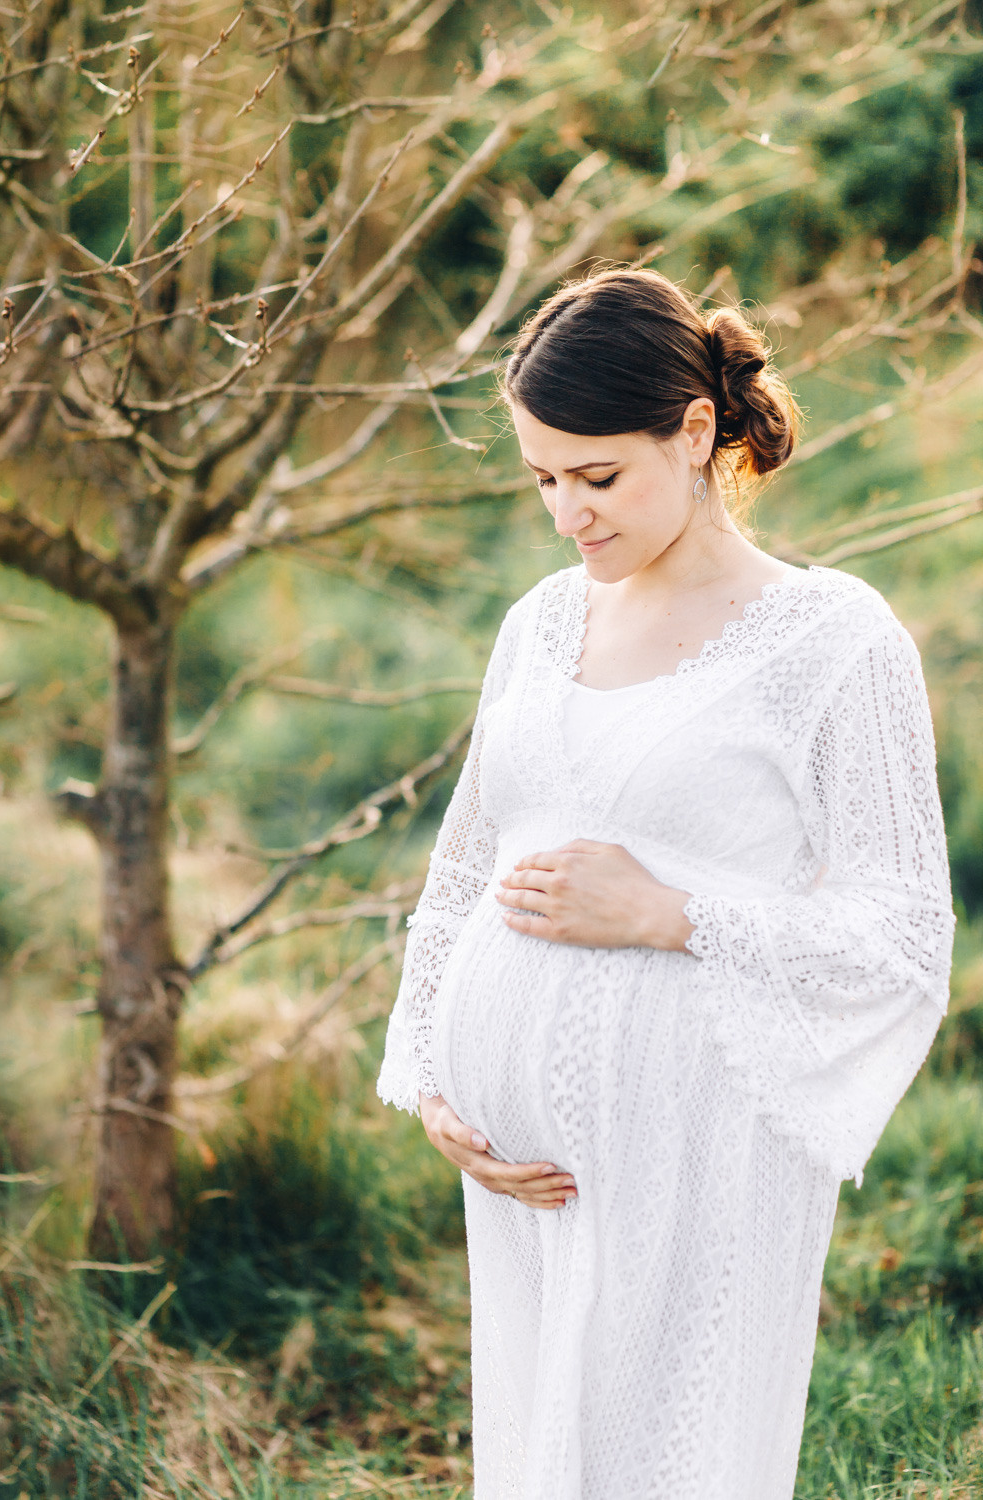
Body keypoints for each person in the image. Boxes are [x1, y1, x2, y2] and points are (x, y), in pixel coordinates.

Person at [376, 267, 956, 1500]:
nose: (566, 516)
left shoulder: (833, 642)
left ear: (695, 435)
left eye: (596, 477)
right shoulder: (538, 624)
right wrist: (432, 1068)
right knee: (544, 1458)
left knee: (672, 1458)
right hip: (526, 1181)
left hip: (699, 1145)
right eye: (541, 480)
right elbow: (465, 865)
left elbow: (904, 936)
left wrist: (673, 917)